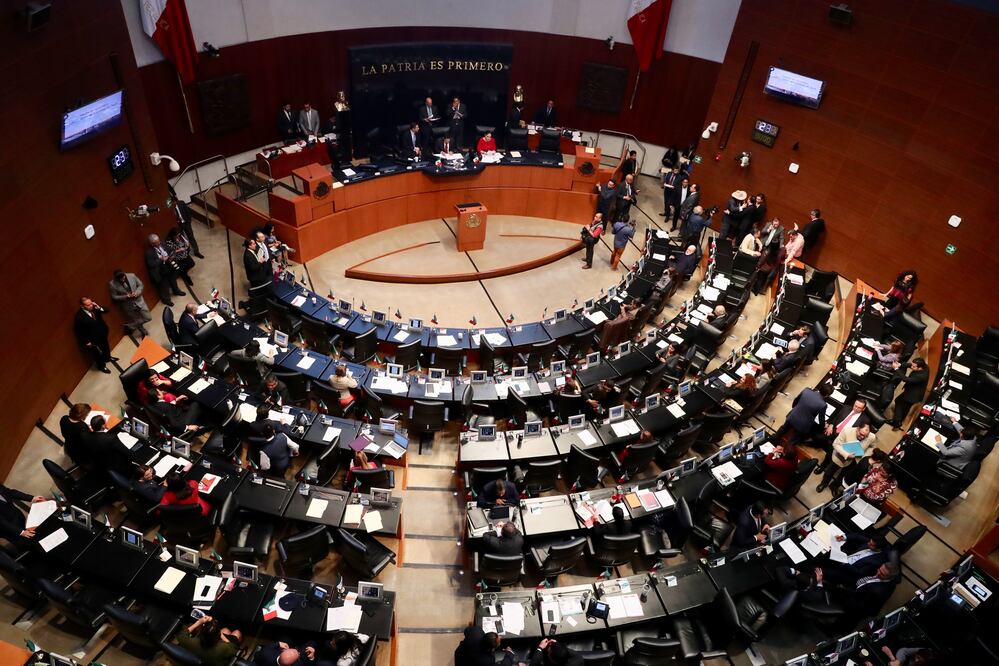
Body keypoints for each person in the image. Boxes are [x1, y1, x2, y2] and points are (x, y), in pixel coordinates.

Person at [817, 423, 878, 492]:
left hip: (855, 460)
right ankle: (824, 483)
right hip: (839, 456)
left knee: (843, 475)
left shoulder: (872, 437)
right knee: (830, 471)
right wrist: (846, 454)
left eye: (865, 436)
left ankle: (834, 486)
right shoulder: (847, 431)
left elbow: (872, 446)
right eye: (861, 434)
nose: (862, 437)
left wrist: (864, 455)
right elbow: (836, 444)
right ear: (857, 429)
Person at [814, 398, 870, 472]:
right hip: (834, 430)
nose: (856, 408)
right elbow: (836, 416)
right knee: (817, 436)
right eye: (855, 406)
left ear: (863, 409)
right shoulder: (846, 407)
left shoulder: (865, 420)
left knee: (831, 450)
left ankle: (823, 465)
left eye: (859, 407)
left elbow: (861, 434)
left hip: (844, 438)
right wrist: (831, 425)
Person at [177, 614, 241, 666]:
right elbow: (233, 647)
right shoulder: (223, 648)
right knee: (237, 632)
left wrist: (199, 622)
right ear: (218, 637)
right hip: (218, 660)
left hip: (203, 657)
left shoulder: (192, 642)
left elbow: (181, 634)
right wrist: (219, 631)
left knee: (226, 630)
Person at [74, 297, 114, 373]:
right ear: (82, 306)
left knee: (106, 346)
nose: (91, 306)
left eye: (91, 303)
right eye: (88, 305)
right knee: (97, 353)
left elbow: (107, 310)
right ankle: (101, 366)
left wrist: (99, 307)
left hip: (102, 332)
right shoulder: (79, 317)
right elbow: (80, 331)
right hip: (93, 338)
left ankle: (108, 358)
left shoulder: (95, 308)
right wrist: (86, 341)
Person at [887, 358, 928, 430]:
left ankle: (896, 423)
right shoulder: (925, 367)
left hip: (912, 395)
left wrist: (896, 369)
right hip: (914, 392)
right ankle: (899, 421)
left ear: (920, 368)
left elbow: (905, 379)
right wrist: (901, 364)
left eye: (914, 367)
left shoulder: (920, 376)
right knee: (906, 408)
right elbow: (911, 365)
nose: (911, 367)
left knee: (898, 401)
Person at [108, 270, 151, 337]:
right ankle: (143, 331)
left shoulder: (132, 275)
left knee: (148, 317)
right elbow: (114, 297)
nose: (122, 280)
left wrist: (136, 292)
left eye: (123, 278)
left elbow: (140, 285)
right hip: (128, 305)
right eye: (120, 279)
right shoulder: (112, 284)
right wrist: (126, 296)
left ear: (124, 274)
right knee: (137, 319)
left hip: (139, 301)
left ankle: (130, 326)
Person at [145, 234, 184, 306]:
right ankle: (166, 300)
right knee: (164, 286)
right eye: (156, 243)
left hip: (169, 266)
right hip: (160, 271)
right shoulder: (149, 252)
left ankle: (176, 291)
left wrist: (172, 256)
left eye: (158, 241)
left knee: (173, 280)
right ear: (151, 243)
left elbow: (172, 250)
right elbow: (151, 264)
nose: (158, 243)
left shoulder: (163, 243)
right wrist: (161, 259)